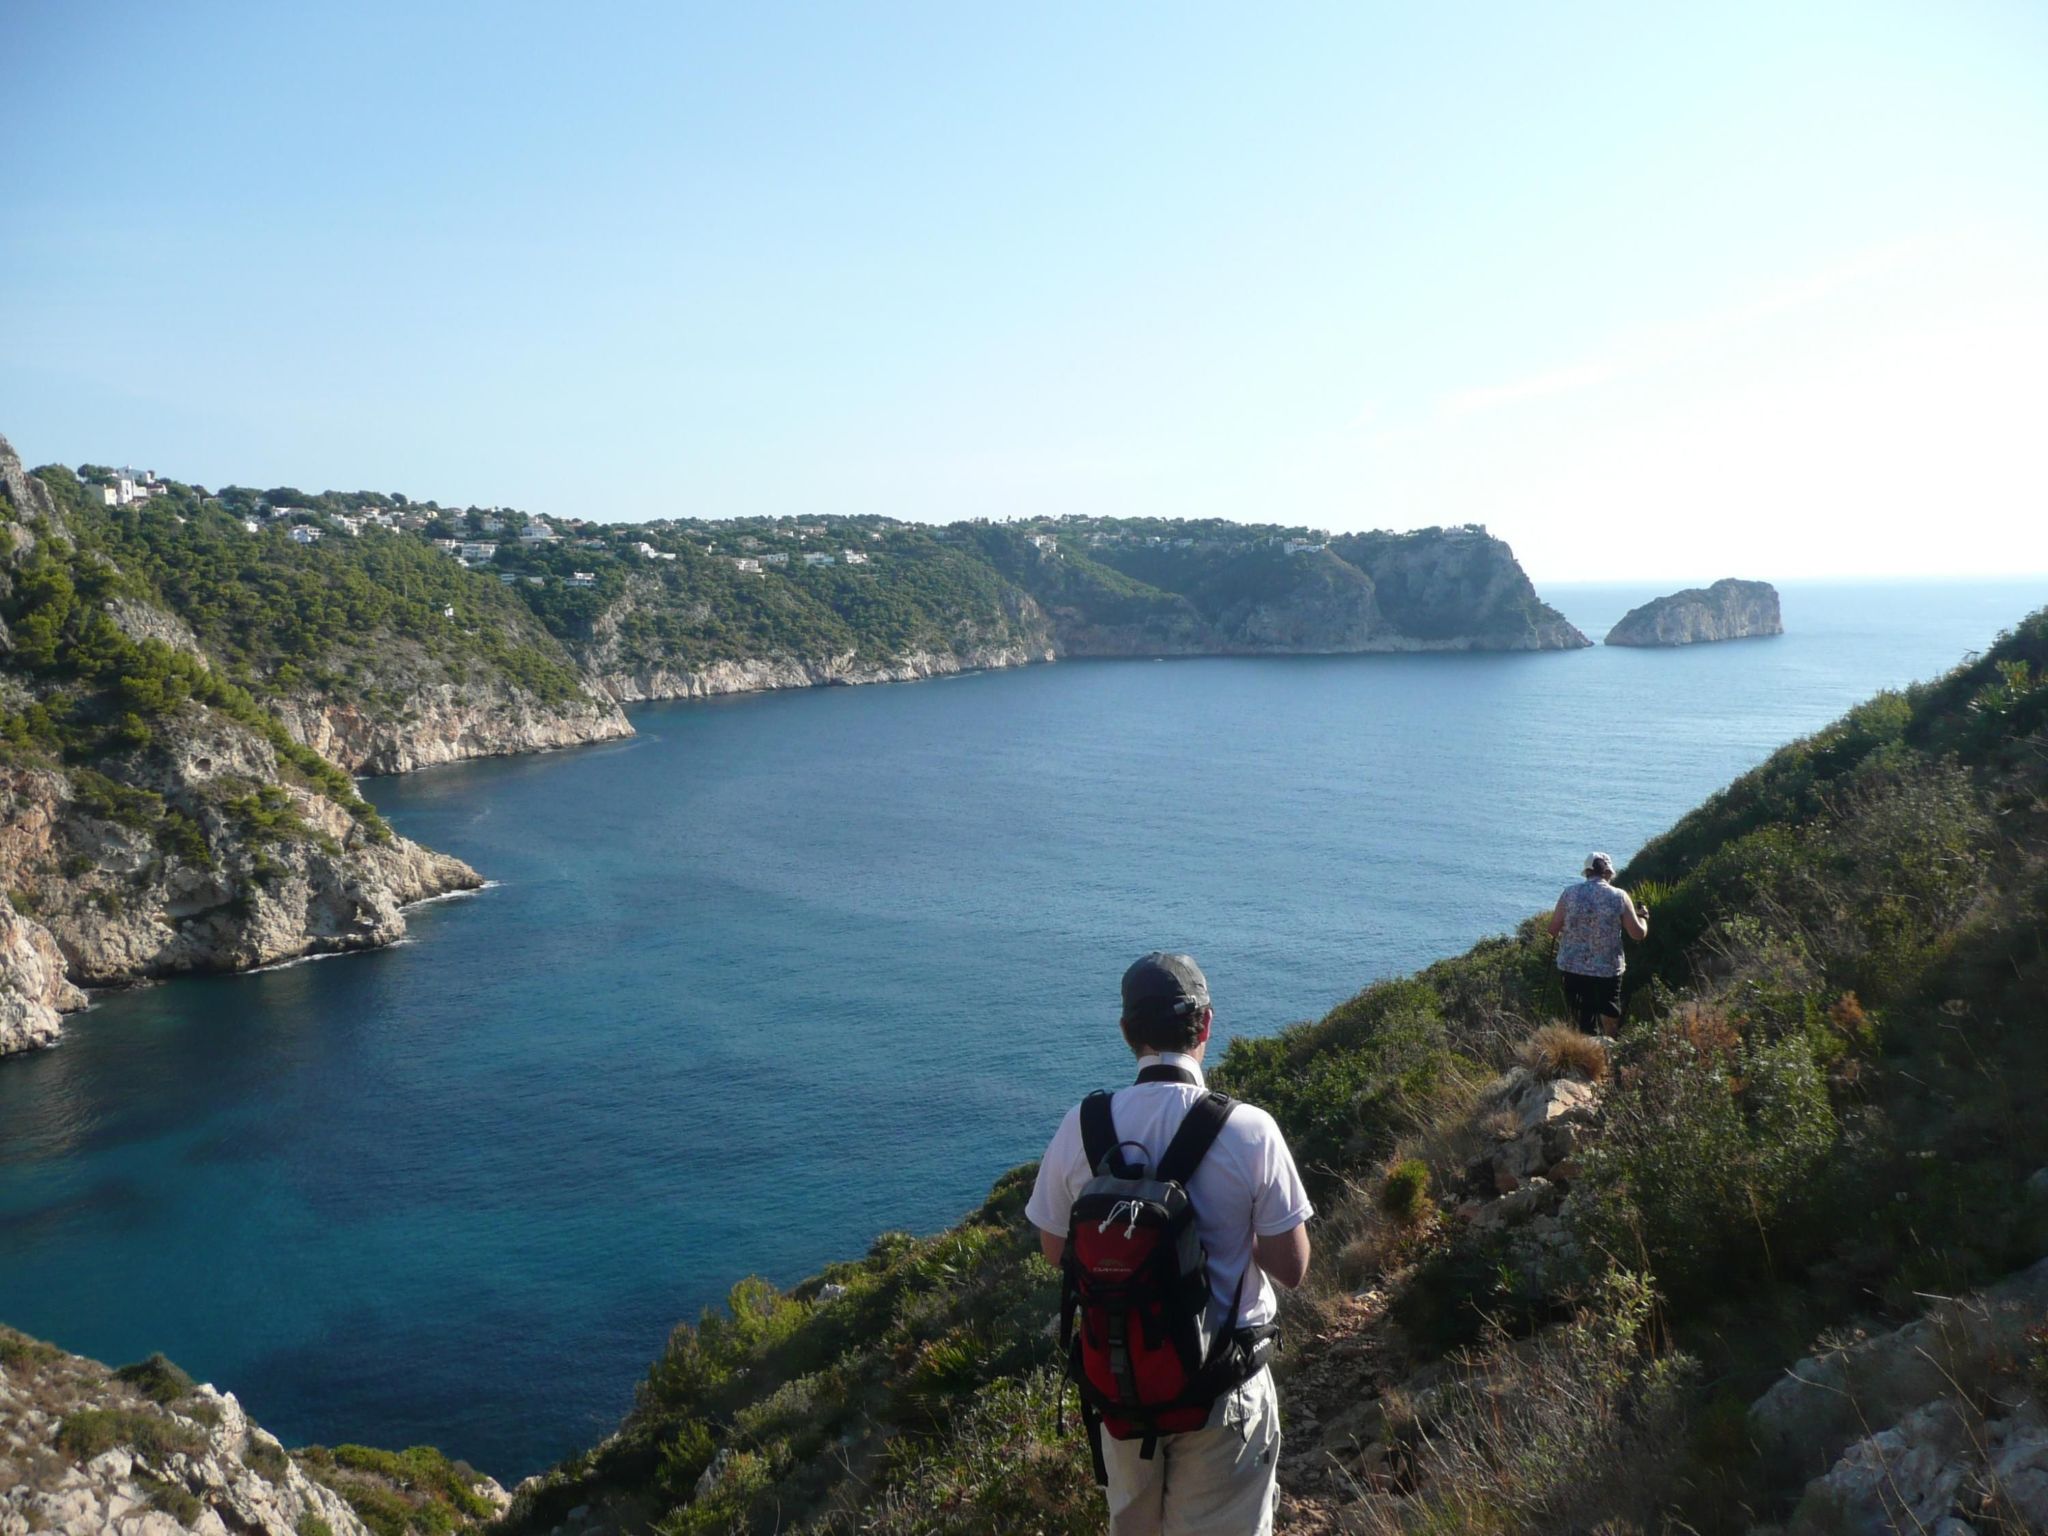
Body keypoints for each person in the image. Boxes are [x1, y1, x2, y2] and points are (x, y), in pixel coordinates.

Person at [1025, 952, 1314, 1536]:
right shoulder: (1250, 1129)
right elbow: (1292, 1267)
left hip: (1123, 1386)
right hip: (1223, 1391)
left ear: (1127, 1031)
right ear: (1206, 1025)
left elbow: (1058, 1253)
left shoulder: (1082, 1126)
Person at [1547, 851, 1648, 1033]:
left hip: (1572, 967)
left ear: (1586, 872)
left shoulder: (1569, 893)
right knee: (1608, 1010)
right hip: (1607, 969)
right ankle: (1609, 1047)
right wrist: (1644, 919)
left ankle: (1583, 1050)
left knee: (1581, 1016)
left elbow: (1553, 929)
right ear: (1608, 873)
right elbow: (1637, 934)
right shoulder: (1619, 896)